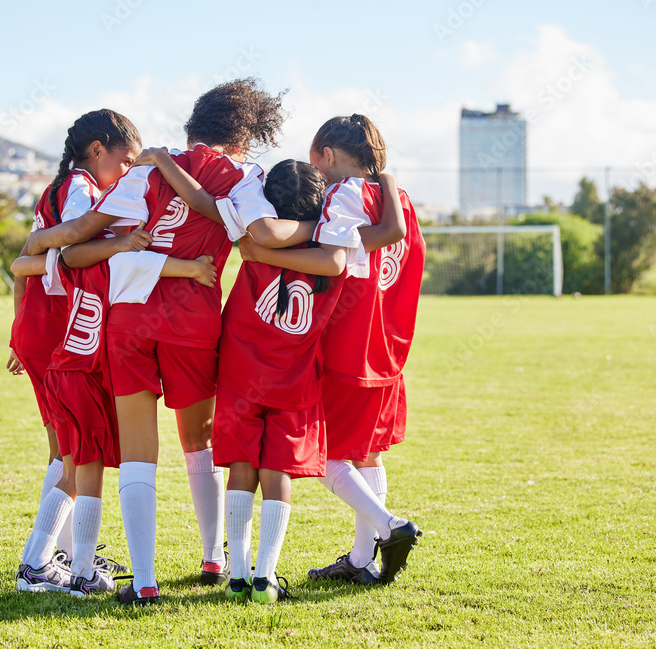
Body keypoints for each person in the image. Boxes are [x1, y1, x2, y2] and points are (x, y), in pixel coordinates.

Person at [22, 78, 315, 606]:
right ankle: (212, 557)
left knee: (138, 453)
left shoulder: (145, 169)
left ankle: (144, 580)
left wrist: (39, 246)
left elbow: (96, 233)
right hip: (194, 324)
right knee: (198, 441)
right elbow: (259, 233)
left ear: (194, 124)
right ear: (245, 135)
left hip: (128, 321)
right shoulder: (244, 175)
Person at [242, 114, 425, 585]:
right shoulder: (397, 200)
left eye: (314, 160)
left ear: (326, 156)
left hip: (349, 344)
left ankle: (390, 527)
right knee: (367, 454)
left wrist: (264, 252)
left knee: (324, 456)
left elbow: (333, 258)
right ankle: (362, 561)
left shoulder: (343, 195)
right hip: (388, 345)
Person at [12, 237, 216, 596]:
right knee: (86, 480)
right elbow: (151, 264)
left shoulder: (74, 265)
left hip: (61, 372)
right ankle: (81, 573)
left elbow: (21, 266)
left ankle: (36, 561)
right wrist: (193, 268)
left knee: (72, 472)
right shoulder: (116, 265)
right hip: (85, 378)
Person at [9, 109, 142, 591]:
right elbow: (72, 237)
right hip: (59, 331)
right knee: (73, 451)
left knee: (67, 450)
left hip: (45, 328)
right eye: (124, 162)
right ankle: (51, 560)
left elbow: (23, 265)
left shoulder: (59, 187)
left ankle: (58, 558)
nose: (127, 174)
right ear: (97, 150)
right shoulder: (83, 187)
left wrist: (16, 327)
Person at [210, 159, 349, 603]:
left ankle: (237, 575)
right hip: (293, 376)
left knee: (241, 465)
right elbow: (343, 256)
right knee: (277, 469)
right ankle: (266, 578)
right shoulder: (330, 258)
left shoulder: (253, 239)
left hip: (240, 370)